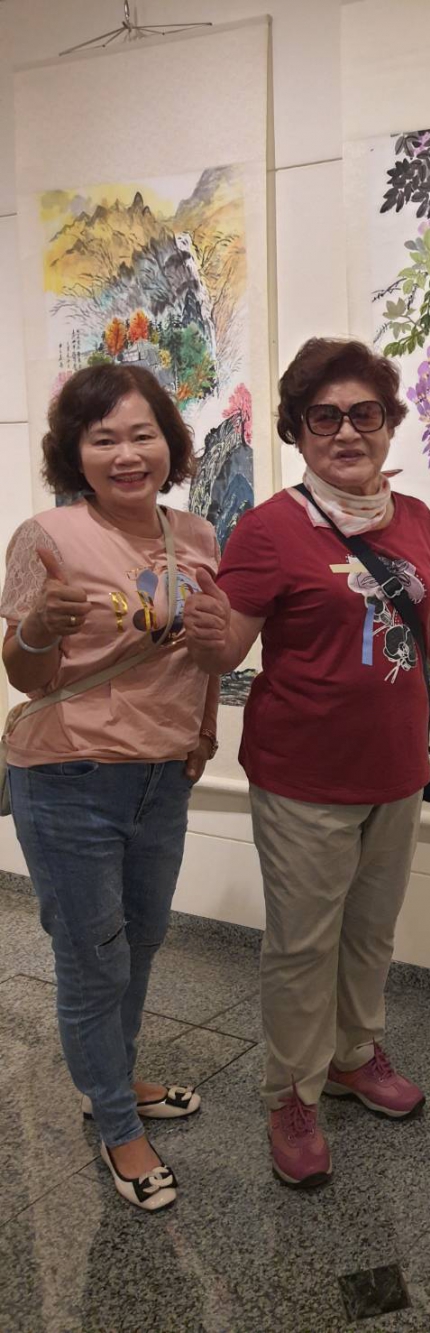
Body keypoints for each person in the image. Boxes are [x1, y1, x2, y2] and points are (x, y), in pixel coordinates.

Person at [183, 338, 430, 1188]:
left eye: (364, 413)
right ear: (296, 430)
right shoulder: (268, 529)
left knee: (370, 931)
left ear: (390, 423)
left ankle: (352, 1055)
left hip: (396, 769)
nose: (346, 431)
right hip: (302, 777)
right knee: (302, 946)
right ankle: (289, 1092)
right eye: (323, 417)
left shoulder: (417, 520)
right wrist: (206, 633)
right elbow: (228, 652)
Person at [1, 365, 220, 1212]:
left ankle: (113, 1080)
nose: (126, 454)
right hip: (68, 774)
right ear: (75, 452)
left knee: (144, 939)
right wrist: (34, 629)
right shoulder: (46, 534)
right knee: (93, 959)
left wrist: (205, 729)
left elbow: (206, 651)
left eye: (141, 434)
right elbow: (26, 675)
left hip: (163, 774)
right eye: (104, 439)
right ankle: (118, 1123)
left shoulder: (197, 534)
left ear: (169, 443)